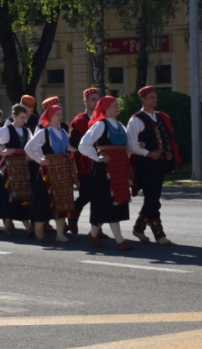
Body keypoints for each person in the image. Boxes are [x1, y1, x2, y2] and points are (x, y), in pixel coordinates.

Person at [127, 86, 180, 245]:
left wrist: (169, 152)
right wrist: (148, 153)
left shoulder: (161, 117)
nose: (155, 99)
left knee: (153, 198)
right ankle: (159, 234)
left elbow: (167, 137)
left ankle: (138, 228)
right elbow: (130, 144)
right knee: (153, 200)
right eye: (152, 97)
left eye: (155, 97)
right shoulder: (136, 119)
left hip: (160, 164)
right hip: (145, 165)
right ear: (143, 100)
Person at [78, 96, 133, 250]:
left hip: (119, 169)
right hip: (105, 169)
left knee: (109, 203)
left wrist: (138, 146)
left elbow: (126, 147)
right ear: (106, 108)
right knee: (109, 202)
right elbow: (83, 145)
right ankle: (120, 240)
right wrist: (97, 157)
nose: (117, 108)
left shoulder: (121, 125)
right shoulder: (100, 125)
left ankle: (93, 234)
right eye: (114, 105)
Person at [25, 103, 77, 243]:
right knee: (45, 201)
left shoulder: (64, 132)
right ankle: (39, 224)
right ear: (50, 117)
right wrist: (40, 160)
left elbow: (70, 147)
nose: (60, 117)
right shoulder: (43, 132)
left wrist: (86, 148)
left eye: (61, 114)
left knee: (63, 202)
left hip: (63, 171)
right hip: (48, 171)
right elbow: (29, 148)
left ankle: (60, 235)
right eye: (57, 115)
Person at [0, 104, 35, 236]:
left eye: (25, 118)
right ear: (14, 117)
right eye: (22, 118)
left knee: (19, 196)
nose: (24, 120)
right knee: (13, 195)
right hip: (10, 168)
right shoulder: (6, 130)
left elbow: (31, 146)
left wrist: (30, 155)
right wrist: (0, 151)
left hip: (23, 167)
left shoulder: (27, 131)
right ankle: (28, 226)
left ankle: (8, 228)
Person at [68, 87, 102, 234]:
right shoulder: (79, 120)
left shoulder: (103, 119)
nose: (95, 102)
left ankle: (96, 228)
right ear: (86, 101)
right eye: (93, 99)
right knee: (86, 195)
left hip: (100, 163)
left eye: (97, 99)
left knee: (99, 198)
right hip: (84, 164)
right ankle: (73, 216)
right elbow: (74, 142)